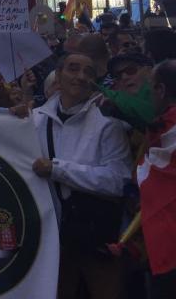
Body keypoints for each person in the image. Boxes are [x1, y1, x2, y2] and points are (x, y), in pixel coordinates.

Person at [32, 53, 131, 299]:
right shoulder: (34, 120)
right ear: (58, 77)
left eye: (88, 72)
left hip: (96, 236)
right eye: (73, 69)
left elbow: (119, 180)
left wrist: (58, 169)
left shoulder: (108, 125)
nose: (80, 77)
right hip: (52, 239)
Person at [135, 60, 176, 298]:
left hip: (168, 249)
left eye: (150, 89)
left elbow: (147, 176)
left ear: (160, 90)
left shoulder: (164, 132)